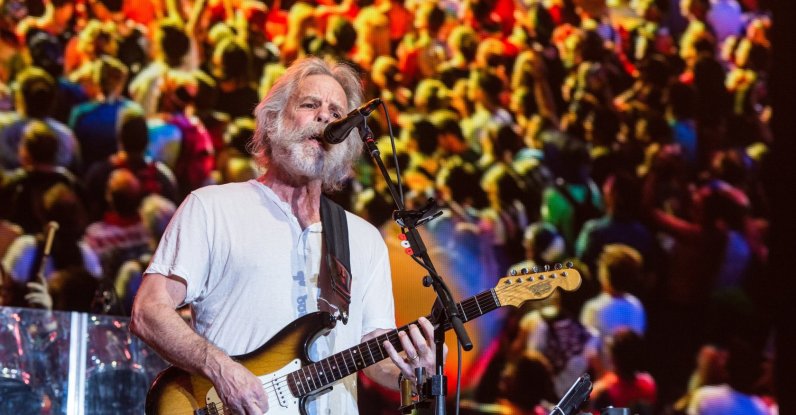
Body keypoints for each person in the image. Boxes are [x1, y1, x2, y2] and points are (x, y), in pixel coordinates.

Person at [130, 57, 441, 414]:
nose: (326, 117)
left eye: (337, 111)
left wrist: (418, 368)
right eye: (310, 105)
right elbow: (149, 310)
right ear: (273, 119)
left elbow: (373, 356)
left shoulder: (364, 239)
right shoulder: (213, 208)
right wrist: (221, 369)